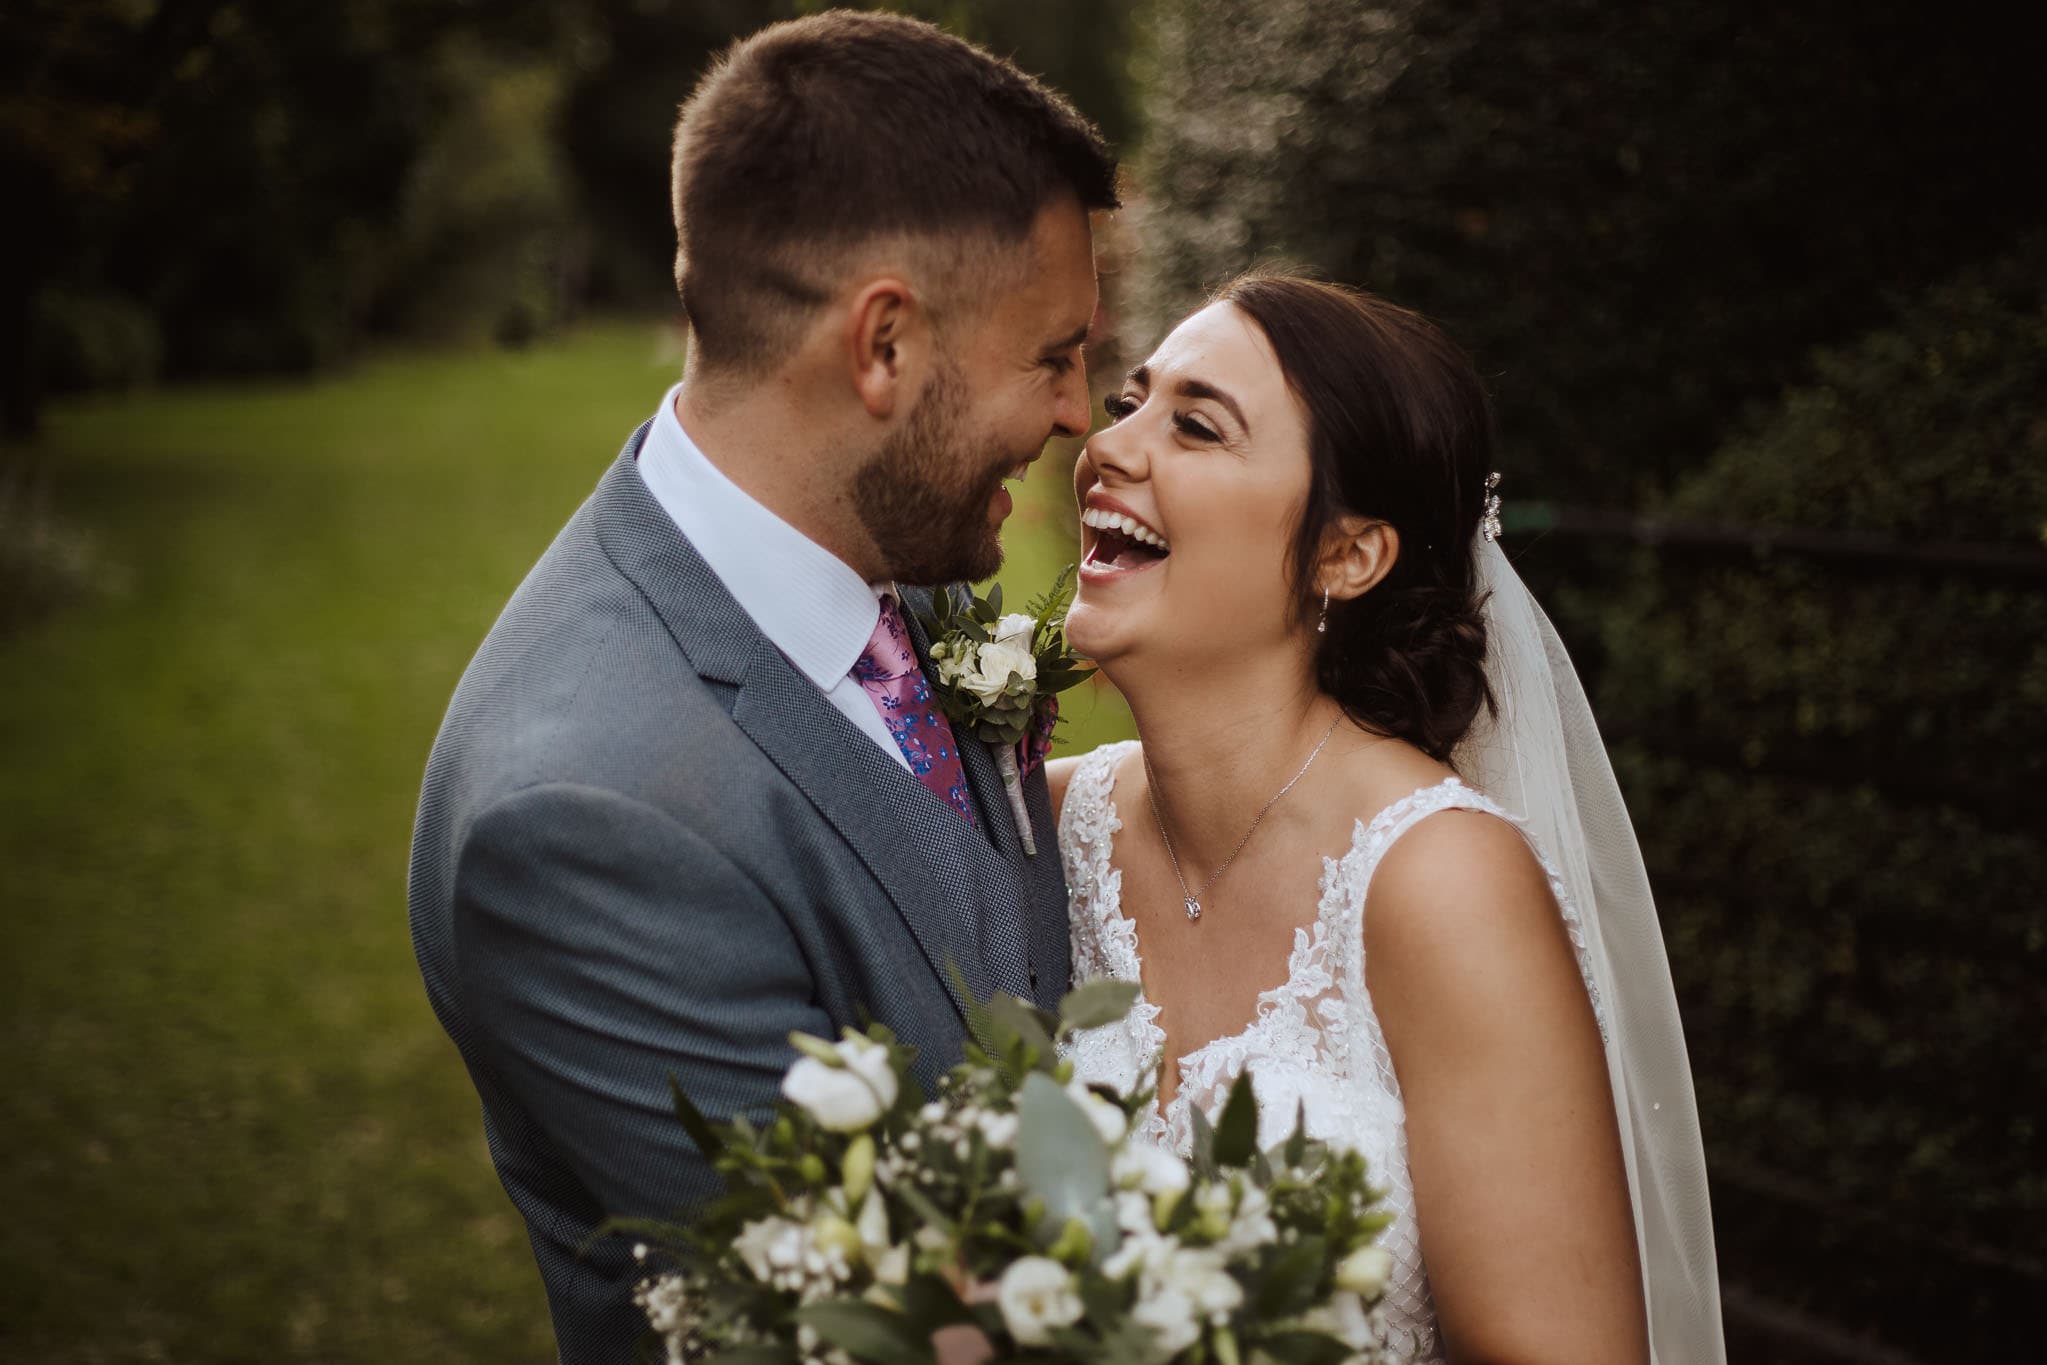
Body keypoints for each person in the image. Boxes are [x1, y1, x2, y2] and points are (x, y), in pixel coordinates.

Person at [407, 13, 1117, 1360]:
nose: (1079, 410)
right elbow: (888, 1327)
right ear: (883, 348)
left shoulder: (906, 540)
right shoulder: (584, 823)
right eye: (1050, 354)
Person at [1051, 274, 1725, 1363]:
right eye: (1132, 401)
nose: (1112, 445)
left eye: (1195, 426)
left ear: (1344, 556)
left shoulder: (1438, 880)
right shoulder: (1038, 830)